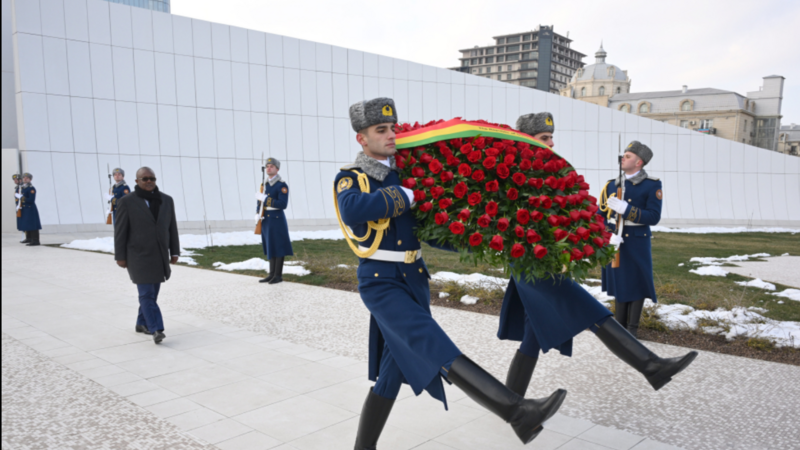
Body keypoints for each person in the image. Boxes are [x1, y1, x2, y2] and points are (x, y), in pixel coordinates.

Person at [336, 98, 566, 450]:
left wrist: (473, 241)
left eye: (392, 128)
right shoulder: (352, 178)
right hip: (381, 283)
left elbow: (425, 230)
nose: (391, 135)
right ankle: (516, 412)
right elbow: (352, 211)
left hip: (414, 279)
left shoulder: (405, 176)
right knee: (434, 346)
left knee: (391, 374)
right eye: (381, 130)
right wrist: (403, 194)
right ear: (362, 139)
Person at [497, 114, 697, 400]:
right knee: (587, 308)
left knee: (533, 331)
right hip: (530, 259)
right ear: (525, 138)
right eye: (544, 138)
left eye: (551, 136)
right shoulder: (514, 172)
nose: (552, 142)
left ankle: (510, 403)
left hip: (545, 258)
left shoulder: (542, 169)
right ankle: (651, 365)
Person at [601, 141, 663, 338]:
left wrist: (626, 210)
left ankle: (632, 330)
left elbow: (653, 216)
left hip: (636, 239)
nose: (623, 159)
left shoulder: (651, 184)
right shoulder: (612, 184)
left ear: (639, 162)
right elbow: (601, 213)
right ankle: (620, 327)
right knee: (620, 280)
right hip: (615, 239)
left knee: (636, 282)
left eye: (628, 156)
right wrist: (606, 233)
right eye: (623, 156)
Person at [114, 167, 180, 344]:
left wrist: (174, 251)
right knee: (146, 294)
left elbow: (171, 227)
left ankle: (141, 322)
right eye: (144, 179)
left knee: (152, 294)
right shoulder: (127, 201)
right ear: (137, 182)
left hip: (159, 256)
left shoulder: (166, 200)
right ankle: (156, 328)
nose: (149, 181)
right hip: (137, 255)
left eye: (152, 178)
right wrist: (120, 256)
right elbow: (120, 231)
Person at [255, 158, 293, 284]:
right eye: (267, 166)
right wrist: (257, 213)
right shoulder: (264, 184)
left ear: (277, 169)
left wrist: (266, 199)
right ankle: (271, 274)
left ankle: (278, 275)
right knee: (270, 245)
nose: (269, 168)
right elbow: (260, 201)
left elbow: (283, 204)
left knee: (278, 246)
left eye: (272, 166)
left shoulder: (281, 185)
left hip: (276, 219)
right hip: (266, 219)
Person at [15, 173, 42, 246]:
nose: (25, 179)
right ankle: (29, 238)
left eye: (27, 178)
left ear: (30, 179)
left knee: (32, 224)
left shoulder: (31, 188)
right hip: (23, 208)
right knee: (26, 224)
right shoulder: (22, 188)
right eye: (24, 177)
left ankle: (35, 240)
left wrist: (22, 197)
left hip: (30, 209)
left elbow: (31, 200)